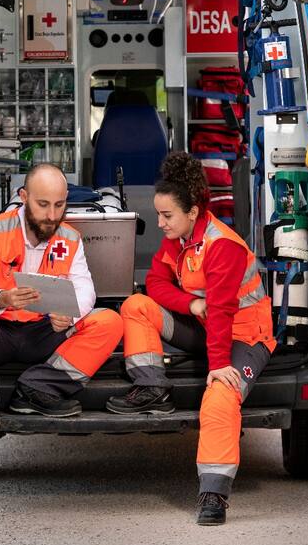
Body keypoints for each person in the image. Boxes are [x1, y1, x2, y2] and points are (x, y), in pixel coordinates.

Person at [106, 152, 276, 525]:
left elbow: (223, 313)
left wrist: (218, 368)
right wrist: (190, 303)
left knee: (219, 398)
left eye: (167, 216)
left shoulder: (223, 246)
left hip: (244, 337)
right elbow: (154, 284)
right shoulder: (178, 240)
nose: (160, 223)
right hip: (206, 326)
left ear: (194, 213)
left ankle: (213, 494)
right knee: (136, 305)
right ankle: (152, 387)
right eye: (158, 213)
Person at [0, 163, 123, 425]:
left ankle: (37, 389)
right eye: (43, 204)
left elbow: (85, 289)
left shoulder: (70, 238)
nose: (51, 215)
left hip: (42, 332)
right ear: (24, 197)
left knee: (109, 322)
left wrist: (69, 316)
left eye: (59, 205)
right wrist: (1, 298)